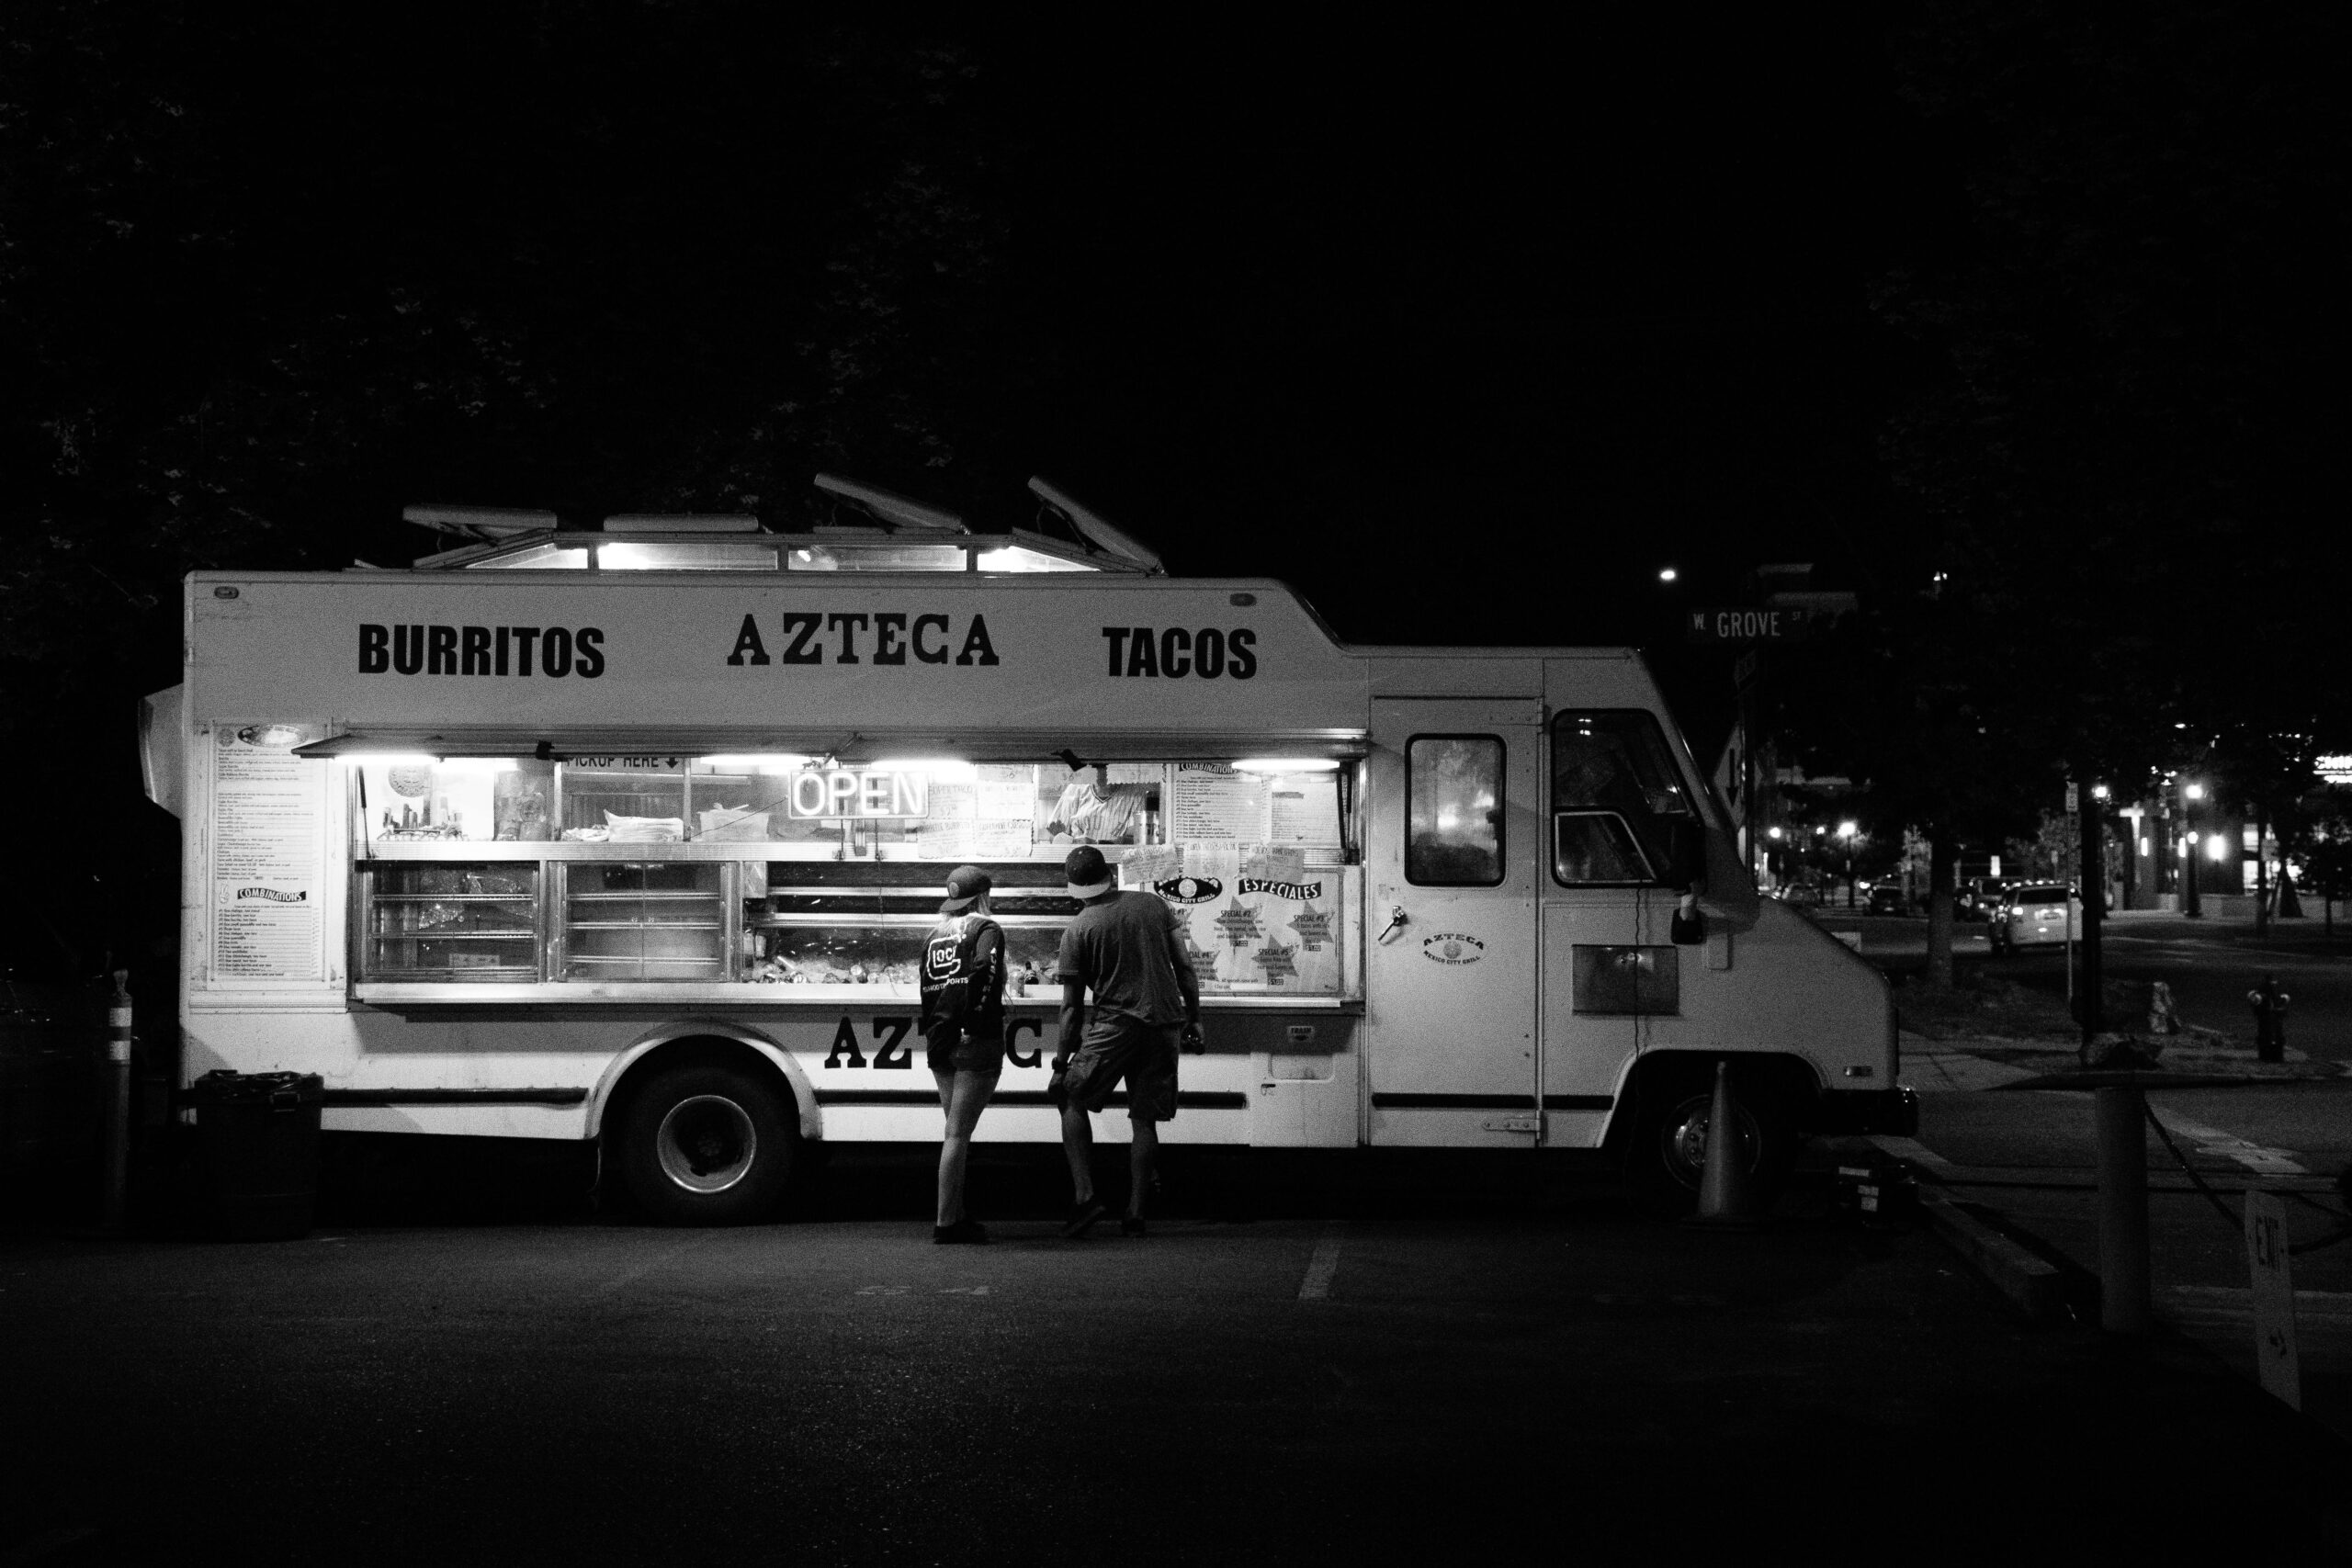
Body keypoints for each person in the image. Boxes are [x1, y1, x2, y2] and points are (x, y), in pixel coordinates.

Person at [1050, 845, 1203, 1238]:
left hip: (1115, 1026)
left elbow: (1071, 1009)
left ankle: (1085, 1197)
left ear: (1074, 888)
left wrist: (1060, 1062)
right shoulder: (1154, 906)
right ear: (1110, 876)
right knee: (1144, 1119)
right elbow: (1184, 967)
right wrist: (1196, 1018)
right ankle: (1135, 1212)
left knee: (1070, 1096)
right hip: (1165, 1024)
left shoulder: (1078, 929)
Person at [920, 865, 1006, 1244]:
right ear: (983, 897)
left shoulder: (932, 936)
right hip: (974, 1040)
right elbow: (986, 968)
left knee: (955, 1132)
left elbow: (926, 991)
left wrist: (943, 1031)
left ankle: (956, 1215)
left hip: (940, 1041)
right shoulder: (987, 929)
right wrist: (974, 1023)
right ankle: (946, 1223)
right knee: (957, 1135)